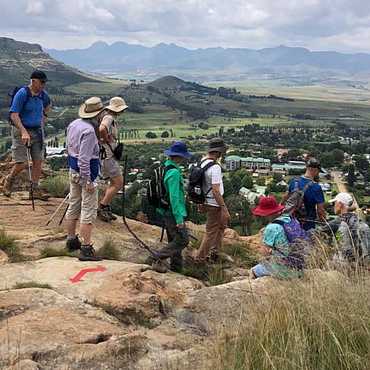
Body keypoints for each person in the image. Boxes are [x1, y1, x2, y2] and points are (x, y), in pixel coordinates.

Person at [65, 97, 105, 261]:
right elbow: (84, 158)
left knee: (74, 203)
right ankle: (86, 249)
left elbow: (70, 149)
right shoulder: (89, 131)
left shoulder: (74, 124)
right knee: (88, 210)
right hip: (86, 173)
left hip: (73, 169)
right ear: (97, 115)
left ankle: (71, 240)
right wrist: (88, 180)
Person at [3, 70, 51, 199]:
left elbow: (48, 105)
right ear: (33, 81)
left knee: (38, 160)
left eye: (44, 83)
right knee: (22, 162)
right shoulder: (22, 94)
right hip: (21, 130)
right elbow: (14, 115)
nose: (43, 85)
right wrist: (24, 131)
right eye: (42, 82)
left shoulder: (43, 95)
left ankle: (34, 190)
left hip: (37, 131)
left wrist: (44, 117)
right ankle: (9, 180)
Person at [147, 141, 191, 272]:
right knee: (183, 240)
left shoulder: (164, 167)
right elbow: (174, 197)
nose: (183, 159)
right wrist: (179, 220)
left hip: (165, 210)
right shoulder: (174, 173)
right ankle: (156, 257)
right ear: (178, 156)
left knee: (174, 240)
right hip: (173, 212)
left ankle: (177, 269)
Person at [193, 138, 231, 263]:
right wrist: (224, 208)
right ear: (219, 152)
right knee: (211, 232)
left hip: (205, 200)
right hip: (214, 203)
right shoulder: (215, 167)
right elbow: (215, 190)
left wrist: (199, 202)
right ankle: (200, 259)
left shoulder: (202, 162)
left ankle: (215, 252)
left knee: (221, 226)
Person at [250, 196, 304, 279]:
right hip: (299, 268)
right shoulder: (290, 219)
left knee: (253, 270)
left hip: (283, 269)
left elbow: (264, 253)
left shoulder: (271, 228)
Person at [97, 96, 128, 222]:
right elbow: (102, 128)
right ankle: (102, 207)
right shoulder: (109, 117)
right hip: (108, 156)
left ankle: (105, 207)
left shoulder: (108, 116)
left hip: (106, 155)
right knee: (118, 182)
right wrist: (105, 138)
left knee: (113, 183)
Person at [319, 192, 370, 264]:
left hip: (346, 265)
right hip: (362, 264)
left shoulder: (339, 221)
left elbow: (317, 232)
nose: (333, 206)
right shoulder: (359, 221)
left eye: (334, 203)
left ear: (340, 204)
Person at [285, 158, 326, 231]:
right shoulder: (316, 187)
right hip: (307, 225)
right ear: (316, 170)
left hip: (291, 222)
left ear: (307, 168)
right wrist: (324, 222)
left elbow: (286, 198)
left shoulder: (294, 181)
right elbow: (320, 211)